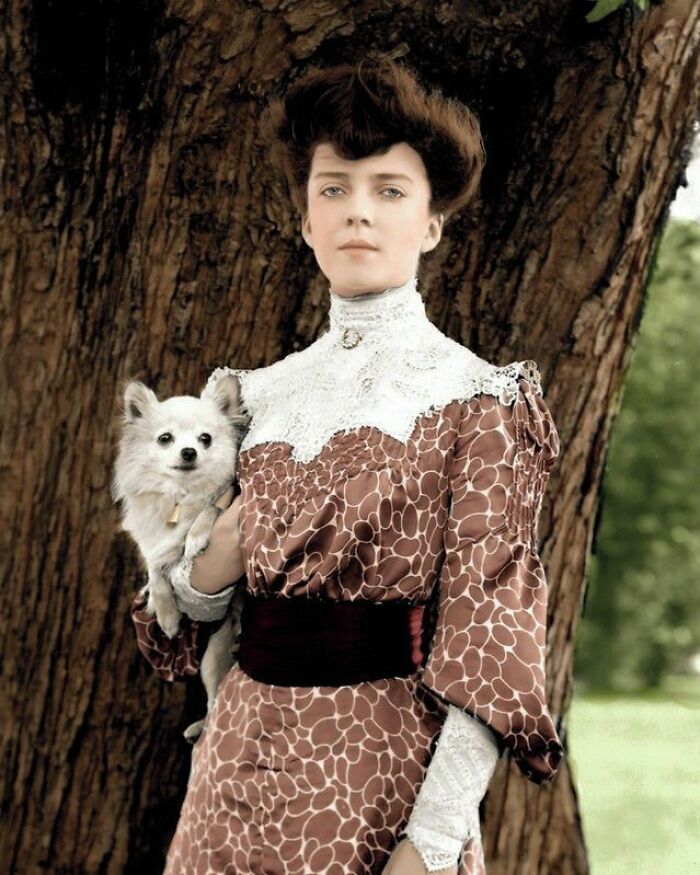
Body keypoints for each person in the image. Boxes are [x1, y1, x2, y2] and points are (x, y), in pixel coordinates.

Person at [129, 54, 564, 875]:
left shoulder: (482, 401)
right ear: (306, 220)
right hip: (237, 770)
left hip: (384, 775)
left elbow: (491, 644)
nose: (357, 212)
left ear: (431, 222)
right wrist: (211, 566)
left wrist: (430, 843)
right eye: (334, 188)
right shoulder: (249, 398)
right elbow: (182, 618)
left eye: (389, 190)